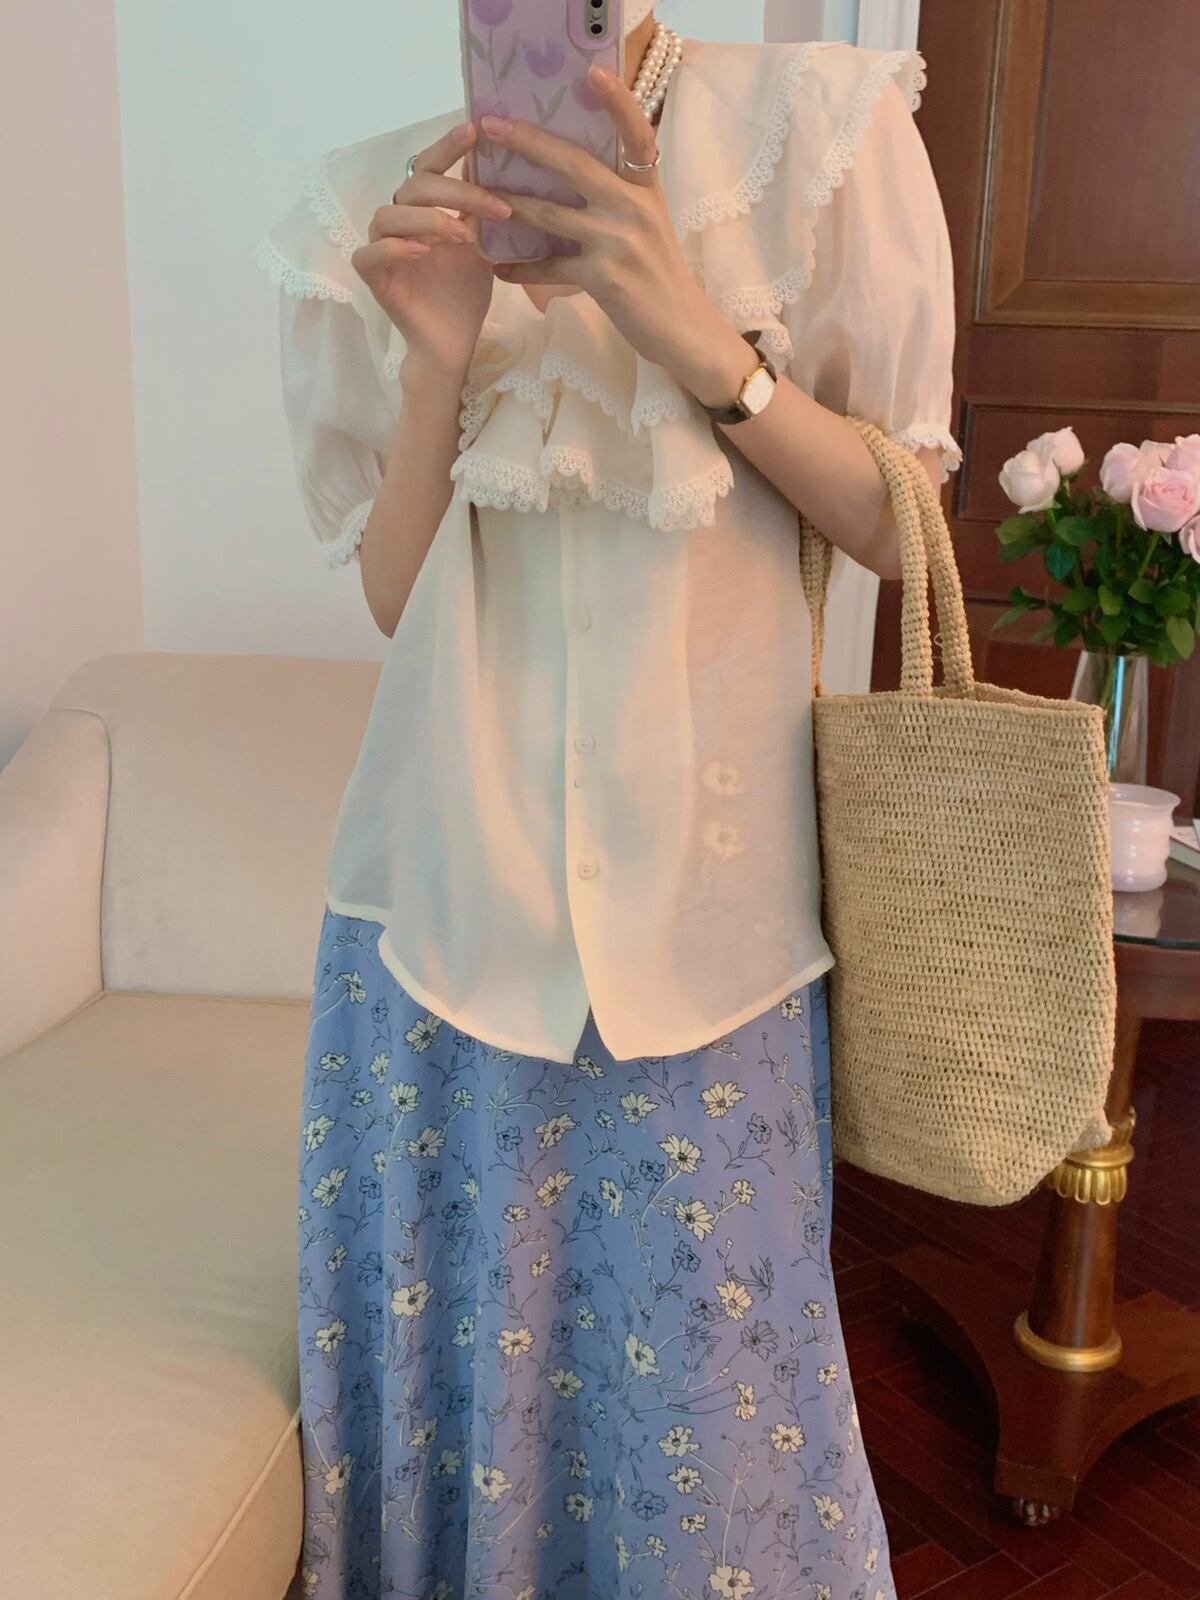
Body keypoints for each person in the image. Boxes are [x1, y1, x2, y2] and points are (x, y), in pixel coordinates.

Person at [256, 6, 960, 1596]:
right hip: (436, 927)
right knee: (465, 1420)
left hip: (711, 939)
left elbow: (900, 523)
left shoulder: (813, 138)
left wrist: (697, 337)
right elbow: (398, 603)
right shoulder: (376, 211)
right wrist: (439, 358)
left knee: (714, 1446)